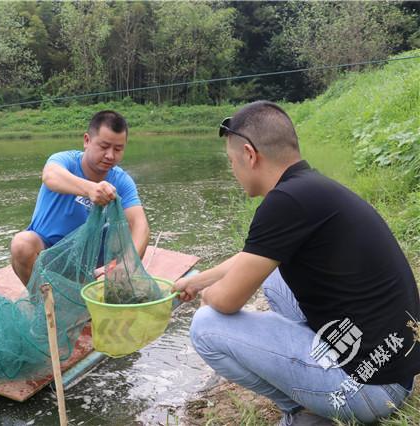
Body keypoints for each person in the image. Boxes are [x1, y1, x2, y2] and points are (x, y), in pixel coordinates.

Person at [173, 101, 419, 426]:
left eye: (232, 161)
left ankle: (304, 413)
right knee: (274, 278)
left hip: (366, 389)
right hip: (395, 372)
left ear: (249, 154)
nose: (232, 171)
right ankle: (315, 393)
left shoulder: (283, 202)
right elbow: (253, 257)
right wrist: (200, 279)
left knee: (206, 326)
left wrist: (210, 294)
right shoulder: (308, 188)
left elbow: (226, 301)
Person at [10, 110, 150, 285]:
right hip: (49, 253)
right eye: (104, 146)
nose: (110, 155)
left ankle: (110, 278)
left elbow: (140, 225)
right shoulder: (65, 160)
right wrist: (90, 189)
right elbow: (50, 176)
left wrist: (129, 262)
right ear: (87, 141)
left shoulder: (121, 180)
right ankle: (43, 300)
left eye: (118, 149)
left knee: (126, 233)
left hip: (89, 259)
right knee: (21, 244)